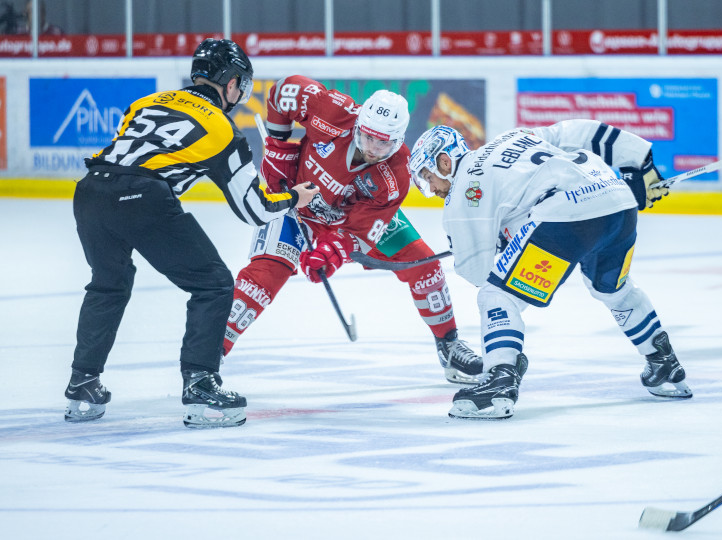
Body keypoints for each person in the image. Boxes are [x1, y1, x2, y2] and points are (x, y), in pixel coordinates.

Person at [64, 39, 319, 428]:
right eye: (241, 85)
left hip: (90, 191)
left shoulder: (148, 102)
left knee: (109, 284)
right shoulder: (221, 127)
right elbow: (253, 210)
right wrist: (293, 198)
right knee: (214, 284)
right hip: (141, 196)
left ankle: (83, 383)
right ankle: (200, 382)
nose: (240, 94)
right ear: (230, 83)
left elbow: (128, 152)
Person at [407, 121, 690, 419]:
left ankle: (499, 382)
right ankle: (664, 362)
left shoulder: (462, 193)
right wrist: (637, 160)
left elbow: (477, 272)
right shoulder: (514, 137)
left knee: (496, 295)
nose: (432, 188)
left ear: (444, 160)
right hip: (617, 200)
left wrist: (503, 244)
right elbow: (580, 130)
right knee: (612, 288)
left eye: (428, 177)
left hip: (566, 215)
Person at [222, 76, 484, 384]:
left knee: (424, 264)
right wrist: (279, 147)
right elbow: (282, 91)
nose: (373, 148)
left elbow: (359, 233)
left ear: (398, 140)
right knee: (263, 277)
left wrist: (330, 251)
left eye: (384, 142)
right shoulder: (332, 110)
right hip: (294, 205)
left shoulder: (396, 174)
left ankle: (449, 346)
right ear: (359, 122)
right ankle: (209, 356)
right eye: (368, 137)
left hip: (347, 221)